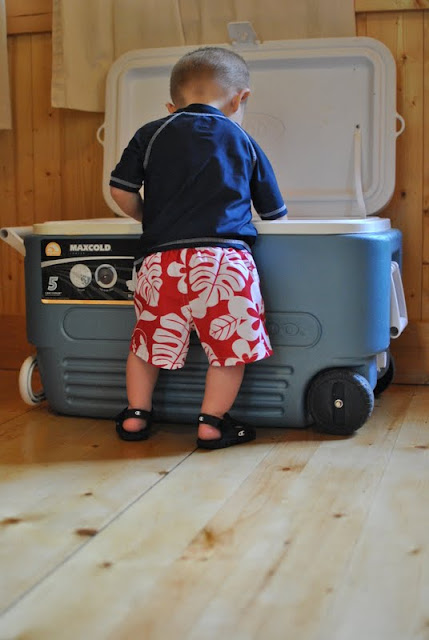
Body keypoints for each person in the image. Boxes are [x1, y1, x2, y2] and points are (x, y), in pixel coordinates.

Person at [110, 46, 287, 449]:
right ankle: (211, 424)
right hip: (226, 262)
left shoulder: (151, 133)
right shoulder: (243, 139)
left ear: (171, 106)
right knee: (229, 351)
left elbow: (120, 191)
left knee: (147, 345)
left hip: (161, 263)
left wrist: (149, 218)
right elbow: (275, 214)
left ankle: (136, 416)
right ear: (240, 99)